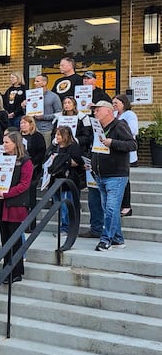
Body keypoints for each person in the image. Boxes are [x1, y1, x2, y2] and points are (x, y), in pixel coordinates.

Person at [90, 100, 137, 252]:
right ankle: (118, 238)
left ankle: (106, 240)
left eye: (98, 110)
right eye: (94, 110)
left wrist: (113, 142)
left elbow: (132, 145)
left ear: (108, 112)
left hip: (116, 175)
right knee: (109, 209)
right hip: (101, 174)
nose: (95, 112)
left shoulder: (119, 125)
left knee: (111, 208)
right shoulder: (98, 127)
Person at [0, 131, 33, 282]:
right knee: (5, 239)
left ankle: (15, 272)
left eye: (7, 142)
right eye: (3, 142)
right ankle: (6, 269)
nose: (4, 145)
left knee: (14, 239)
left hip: (15, 205)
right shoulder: (4, 159)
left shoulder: (26, 161)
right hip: (2, 204)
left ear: (16, 143)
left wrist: (6, 193)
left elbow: (24, 185)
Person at [45, 126, 84, 235]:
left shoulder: (73, 147)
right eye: (56, 134)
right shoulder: (55, 147)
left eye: (59, 135)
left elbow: (77, 162)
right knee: (59, 204)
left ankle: (67, 227)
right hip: (55, 179)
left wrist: (61, 159)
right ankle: (63, 226)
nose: (56, 137)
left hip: (68, 180)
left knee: (66, 205)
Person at [112, 94, 138, 217]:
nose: (114, 105)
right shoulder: (114, 115)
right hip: (115, 151)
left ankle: (127, 206)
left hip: (126, 151)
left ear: (124, 103)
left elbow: (133, 130)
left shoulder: (129, 115)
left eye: (116, 103)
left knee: (125, 180)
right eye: (113, 103)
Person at [19, 116, 46, 231]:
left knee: (30, 199)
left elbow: (41, 153)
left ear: (31, 124)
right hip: (18, 170)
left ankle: (31, 225)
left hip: (33, 170)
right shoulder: (17, 136)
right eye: (21, 123)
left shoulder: (37, 136)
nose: (22, 125)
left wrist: (31, 163)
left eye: (25, 123)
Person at [29, 74, 63, 146]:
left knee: (45, 152)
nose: (35, 83)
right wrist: (24, 106)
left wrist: (43, 117)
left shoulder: (53, 96)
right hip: (32, 129)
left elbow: (59, 114)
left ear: (44, 83)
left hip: (46, 130)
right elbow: (27, 113)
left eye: (37, 81)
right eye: (35, 81)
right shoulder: (31, 95)